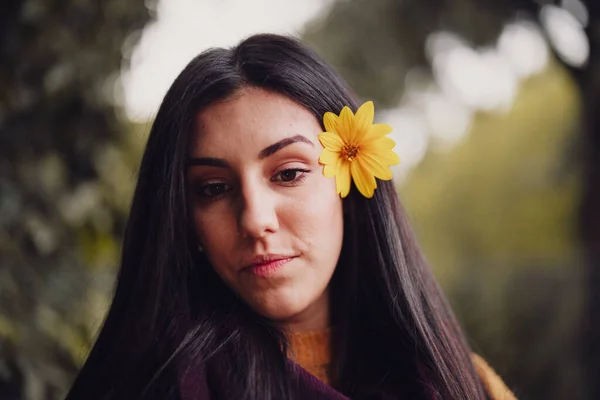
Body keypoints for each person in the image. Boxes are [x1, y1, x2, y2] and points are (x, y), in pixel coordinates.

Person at [65, 33, 516, 400]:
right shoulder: (149, 385)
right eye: (214, 189)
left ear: (353, 177)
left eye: (289, 173)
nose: (255, 220)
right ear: (182, 218)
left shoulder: (465, 384)